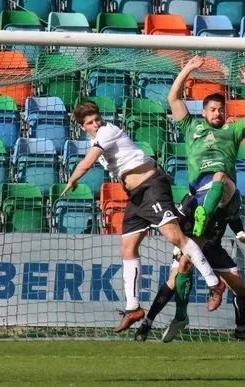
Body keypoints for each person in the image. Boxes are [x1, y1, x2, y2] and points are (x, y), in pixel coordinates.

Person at [62, 100, 223, 334]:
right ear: (81, 126)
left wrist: (72, 179)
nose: (96, 124)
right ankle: (133, 308)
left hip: (151, 187)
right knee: (127, 247)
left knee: (175, 237)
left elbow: (87, 163)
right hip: (136, 197)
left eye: (97, 118)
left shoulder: (107, 131)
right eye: (90, 122)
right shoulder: (96, 138)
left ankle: (214, 283)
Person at [134, 190, 245, 343]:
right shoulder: (192, 201)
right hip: (190, 244)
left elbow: (233, 218)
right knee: (174, 278)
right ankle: (149, 322)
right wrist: (178, 244)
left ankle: (240, 329)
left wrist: (240, 232)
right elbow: (174, 223)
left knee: (241, 286)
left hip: (214, 248)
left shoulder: (232, 196)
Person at [167, 56, 245, 237]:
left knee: (220, 176)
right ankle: (203, 218)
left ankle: (203, 216)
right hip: (199, 186)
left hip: (224, 191)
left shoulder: (232, 129)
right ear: (203, 112)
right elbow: (173, 98)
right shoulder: (191, 126)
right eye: (212, 109)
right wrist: (187, 69)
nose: (217, 113)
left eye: (220, 110)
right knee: (189, 254)